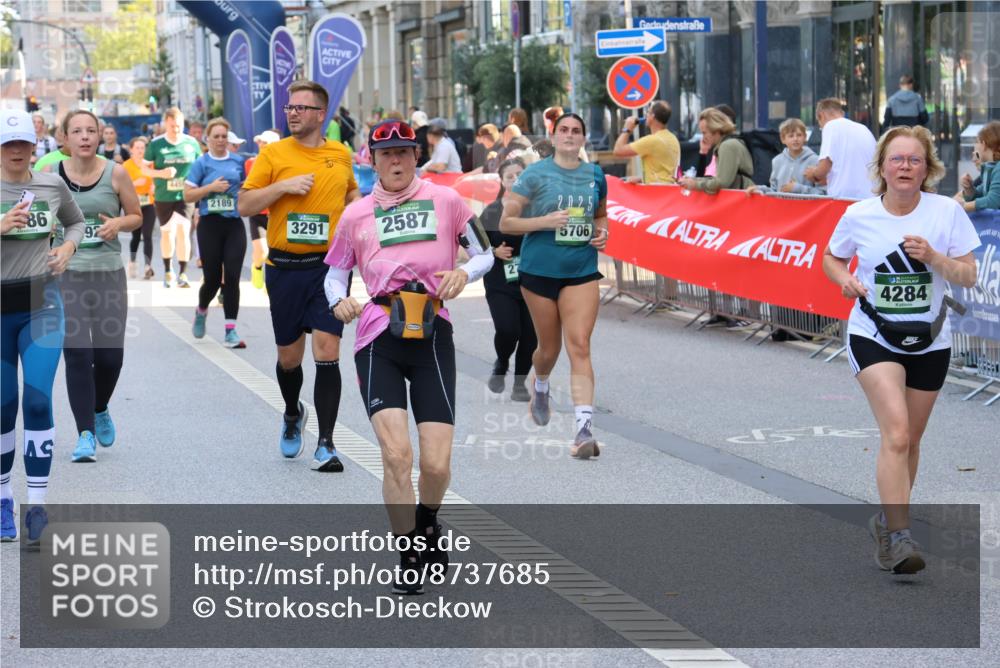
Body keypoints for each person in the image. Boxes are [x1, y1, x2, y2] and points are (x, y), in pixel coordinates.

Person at [324, 119, 493, 593]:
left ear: (416, 155)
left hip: (433, 333)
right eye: (386, 154)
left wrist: (466, 274)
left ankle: (429, 520)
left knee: (436, 465)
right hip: (378, 334)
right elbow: (336, 273)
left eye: (403, 152)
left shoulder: (448, 200)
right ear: (371, 161)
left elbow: (483, 254)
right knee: (397, 456)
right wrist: (339, 300)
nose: (395, 160)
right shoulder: (356, 215)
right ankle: (410, 553)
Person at [823, 126, 979, 574]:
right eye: (897, 160)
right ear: (882, 168)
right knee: (895, 433)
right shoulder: (860, 214)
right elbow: (831, 257)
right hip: (873, 334)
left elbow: (967, 276)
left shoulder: (945, 212)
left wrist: (936, 258)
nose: (905, 167)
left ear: (928, 167)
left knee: (911, 439)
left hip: (930, 338)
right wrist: (845, 280)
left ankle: (887, 521)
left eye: (914, 160)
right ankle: (900, 536)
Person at [238, 80, 360, 472]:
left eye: (302, 108)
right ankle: (292, 412)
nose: (292, 113)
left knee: (327, 350)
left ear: (321, 114)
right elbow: (244, 204)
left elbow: (352, 196)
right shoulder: (274, 154)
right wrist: (282, 186)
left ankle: (326, 443)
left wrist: (361, 221)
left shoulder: (339, 154)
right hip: (285, 269)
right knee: (290, 360)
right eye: (290, 107)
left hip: (329, 268)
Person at [500, 113, 609, 460]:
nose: (570, 135)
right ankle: (541, 383)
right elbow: (507, 222)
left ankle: (583, 430)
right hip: (539, 272)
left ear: (583, 138)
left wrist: (603, 232)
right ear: (554, 134)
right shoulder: (534, 174)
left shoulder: (595, 175)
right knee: (548, 349)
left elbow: (600, 214)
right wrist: (544, 221)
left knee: (579, 344)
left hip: (581, 270)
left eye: (576, 131)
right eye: (564, 130)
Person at [1, 109, 83, 543]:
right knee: (2, 405)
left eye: (23, 144)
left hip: (40, 300)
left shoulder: (50, 184)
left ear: (36, 146)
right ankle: (2, 500)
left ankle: (36, 503)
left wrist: (68, 247)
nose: (17, 151)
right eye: (8, 144)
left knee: (35, 400)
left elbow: (76, 220)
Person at [55, 110, 142, 464]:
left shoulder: (116, 173)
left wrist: (119, 223)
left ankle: (101, 406)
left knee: (110, 357)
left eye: (91, 130)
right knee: (77, 353)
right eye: (77, 131)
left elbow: (137, 217)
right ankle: (85, 433)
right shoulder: (51, 176)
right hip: (67, 275)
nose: (85, 137)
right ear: (65, 138)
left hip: (107, 275)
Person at [185, 117, 248, 348]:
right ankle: (201, 311)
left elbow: (246, 187)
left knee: (232, 276)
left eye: (224, 136)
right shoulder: (201, 163)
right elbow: (188, 196)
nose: (221, 140)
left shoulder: (238, 161)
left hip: (233, 224)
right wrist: (210, 188)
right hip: (210, 225)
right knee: (211, 279)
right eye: (216, 136)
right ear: (208, 139)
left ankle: (230, 330)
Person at [482, 158, 535, 401]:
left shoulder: (536, 208)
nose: (514, 179)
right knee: (508, 329)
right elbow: (474, 246)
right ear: (501, 181)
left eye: (519, 175)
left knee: (531, 337)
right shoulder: (492, 211)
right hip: (500, 281)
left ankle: (520, 384)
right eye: (509, 176)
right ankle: (501, 364)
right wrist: (494, 252)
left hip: (533, 279)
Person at [144, 107, 202, 288]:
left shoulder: (192, 143)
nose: (176, 130)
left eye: (178, 126)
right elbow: (144, 169)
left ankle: (183, 274)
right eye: (172, 126)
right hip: (163, 196)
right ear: (165, 125)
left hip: (185, 195)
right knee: (167, 233)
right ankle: (168, 270)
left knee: (183, 231)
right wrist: (161, 173)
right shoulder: (156, 144)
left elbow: (201, 167)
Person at [804, 98, 877, 200]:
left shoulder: (831, 126)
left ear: (821, 115)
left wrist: (813, 174)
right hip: (871, 198)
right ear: (842, 113)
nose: (821, 128)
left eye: (819, 123)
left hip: (845, 200)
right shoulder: (863, 128)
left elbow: (824, 167)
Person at [678, 107, 754, 194]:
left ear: (716, 130)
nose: (703, 137)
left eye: (704, 132)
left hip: (741, 200)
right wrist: (694, 180)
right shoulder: (728, 144)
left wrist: (695, 184)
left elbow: (722, 182)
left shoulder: (727, 146)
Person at [746, 118, 825, 195]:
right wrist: (760, 189)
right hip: (782, 207)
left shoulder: (815, 160)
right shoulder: (776, 161)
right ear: (783, 139)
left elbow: (822, 193)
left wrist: (797, 188)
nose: (795, 139)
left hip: (808, 207)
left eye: (799, 135)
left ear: (805, 137)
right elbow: (775, 191)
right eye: (791, 136)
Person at [613, 100, 680, 184]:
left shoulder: (652, 141)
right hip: (668, 190)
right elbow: (664, 173)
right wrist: (642, 179)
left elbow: (618, 150)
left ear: (652, 116)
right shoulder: (673, 138)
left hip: (655, 193)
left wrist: (627, 129)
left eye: (648, 112)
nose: (646, 115)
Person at [246, 130, 281, 289]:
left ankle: (270, 283)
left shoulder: (283, 164)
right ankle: (257, 267)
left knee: (274, 252)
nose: (261, 145)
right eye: (260, 142)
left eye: (265, 143)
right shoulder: (250, 162)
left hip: (276, 213)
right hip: (257, 212)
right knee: (261, 251)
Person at [123, 136, 157, 280]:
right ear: (131, 150)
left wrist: (155, 186)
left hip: (149, 203)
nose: (140, 150)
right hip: (133, 205)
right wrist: (135, 183)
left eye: (143, 148)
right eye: (137, 148)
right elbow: (122, 186)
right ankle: (132, 262)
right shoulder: (126, 166)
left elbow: (156, 179)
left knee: (148, 235)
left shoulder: (150, 165)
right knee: (136, 237)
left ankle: (148, 266)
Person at [959, 120, 1000, 213]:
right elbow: (982, 194)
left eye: (977, 142)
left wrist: (963, 206)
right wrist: (969, 189)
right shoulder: (990, 169)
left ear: (984, 144)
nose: (975, 146)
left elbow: (993, 201)